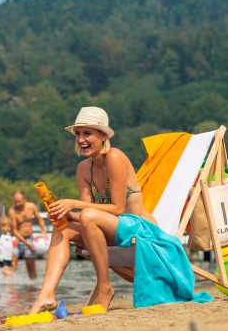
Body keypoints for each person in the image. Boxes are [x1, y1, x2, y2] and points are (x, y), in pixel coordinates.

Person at [29, 107, 155, 314]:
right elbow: (86, 217)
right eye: (78, 134)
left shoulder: (114, 156)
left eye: (87, 133)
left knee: (86, 215)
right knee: (63, 227)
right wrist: (66, 214)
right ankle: (46, 295)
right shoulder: (83, 169)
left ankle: (104, 287)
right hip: (109, 231)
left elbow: (117, 208)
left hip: (138, 230)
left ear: (103, 135)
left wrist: (74, 204)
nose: (80, 140)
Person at [8, 190, 48, 279]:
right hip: (17, 239)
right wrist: (27, 243)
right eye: (15, 202)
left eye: (19, 201)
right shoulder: (12, 211)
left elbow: (39, 219)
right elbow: (14, 231)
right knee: (13, 265)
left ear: (24, 199)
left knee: (31, 265)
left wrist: (43, 231)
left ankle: (32, 288)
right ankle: (9, 287)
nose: (17, 204)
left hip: (29, 237)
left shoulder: (31, 206)